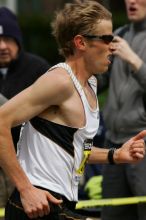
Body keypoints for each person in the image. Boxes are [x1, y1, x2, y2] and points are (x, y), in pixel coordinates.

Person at [0, 1, 145, 219]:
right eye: (106, 38)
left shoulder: (91, 84)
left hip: (60, 203)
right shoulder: (60, 81)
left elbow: (75, 148)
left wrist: (116, 155)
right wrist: (26, 189)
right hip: (36, 204)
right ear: (81, 42)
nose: (112, 46)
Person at [0, 7, 50, 208]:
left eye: (9, 39)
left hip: (27, 167)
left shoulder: (38, 69)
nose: (2, 46)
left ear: (19, 41)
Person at [101, 0, 146, 220]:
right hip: (113, 142)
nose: (132, 1)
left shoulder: (125, 45)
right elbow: (100, 80)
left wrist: (133, 60)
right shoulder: (118, 34)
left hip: (142, 142)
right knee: (112, 213)